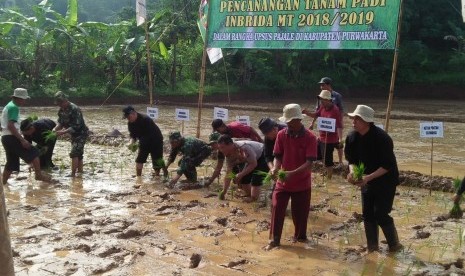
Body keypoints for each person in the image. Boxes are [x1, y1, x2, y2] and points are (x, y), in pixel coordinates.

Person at [344, 104, 403, 253]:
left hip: (385, 180)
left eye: (357, 119)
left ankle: (394, 245)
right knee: (368, 214)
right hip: (366, 179)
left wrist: (367, 178)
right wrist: (353, 174)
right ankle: (373, 247)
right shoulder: (352, 137)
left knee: (381, 213)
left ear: (367, 121)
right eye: (354, 118)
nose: (354, 121)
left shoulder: (382, 139)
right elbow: (352, 161)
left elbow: (387, 165)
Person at [266, 103, 317, 250]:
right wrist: (275, 168)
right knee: (277, 207)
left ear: (298, 120)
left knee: (300, 215)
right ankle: (274, 240)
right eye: (286, 121)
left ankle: (300, 238)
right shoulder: (282, 135)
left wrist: (292, 173)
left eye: (290, 121)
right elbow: (278, 155)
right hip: (283, 182)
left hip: (302, 182)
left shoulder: (310, 137)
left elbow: (309, 163)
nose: (287, 123)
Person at [1, 88, 51, 184]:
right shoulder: (14, 107)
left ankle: (2, 184)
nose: (24, 101)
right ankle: (38, 175)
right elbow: (11, 125)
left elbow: (4, 125)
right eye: (24, 99)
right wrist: (22, 140)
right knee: (35, 152)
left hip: (5, 138)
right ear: (19, 98)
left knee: (11, 164)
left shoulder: (8, 106)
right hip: (11, 137)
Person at [303, 90, 343, 179]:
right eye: (321, 99)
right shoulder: (322, 107)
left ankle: (329, 178)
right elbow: (316, 115)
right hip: (322, 137)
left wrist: (340, 138)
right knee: (320, 156)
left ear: (328, 100)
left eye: (323, 100)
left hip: (330, 138)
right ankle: (325, 173)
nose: (321, 102)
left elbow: (339, 125)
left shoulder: (335, 110)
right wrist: (307, 113)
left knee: (328, 160)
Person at [217, 134, 268, 202]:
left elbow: (253, 164)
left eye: (222, 147)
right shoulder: (228, 156)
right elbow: (228, 173)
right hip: (251, 159)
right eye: (219, 148)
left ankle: (254, 200)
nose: (221, 150)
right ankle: (251, 196)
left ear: (230, 144)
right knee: (244, 179)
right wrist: (224, 191)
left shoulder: (244, 147)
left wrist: (241, 174)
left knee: (256, 178)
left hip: (263, 154)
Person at [307, 77, 344, 167]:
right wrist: (312, 123)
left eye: (323, 85)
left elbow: (341, 110)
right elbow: (317, 112)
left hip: (335, 123)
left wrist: (340, 123)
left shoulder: (337, 96)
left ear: (328, 85)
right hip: (325, 124)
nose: (321, 87)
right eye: (320, 85)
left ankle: (340, 162)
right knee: (324, 144)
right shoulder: (321, 96)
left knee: (339, 143)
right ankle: (326, 163)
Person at [123, 106, 168, 177]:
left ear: (134, 113)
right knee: (139, 160)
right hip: (144, 142)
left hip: (156, 140)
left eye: (129, 117)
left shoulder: (146, 119)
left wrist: (139, 143)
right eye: (127, 118)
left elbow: (150, 135)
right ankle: (138, 177)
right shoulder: (130, 124)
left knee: (157, 159)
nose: (128, 119)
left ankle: (161, 174)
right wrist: (131, 143)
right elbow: (133, 135)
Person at [52, 91, 89, 177]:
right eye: (58, 103)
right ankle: (80, 173)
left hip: (81, 133)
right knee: (78, 154)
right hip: (73, 134)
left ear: (65, 100)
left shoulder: (74, 109)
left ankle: (73, 174)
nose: (59, 105)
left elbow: (76, 126)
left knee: (74, 153)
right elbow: (60, 123)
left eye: (60, 103)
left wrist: (62, 132)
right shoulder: (61, 110)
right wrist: (54, 129)